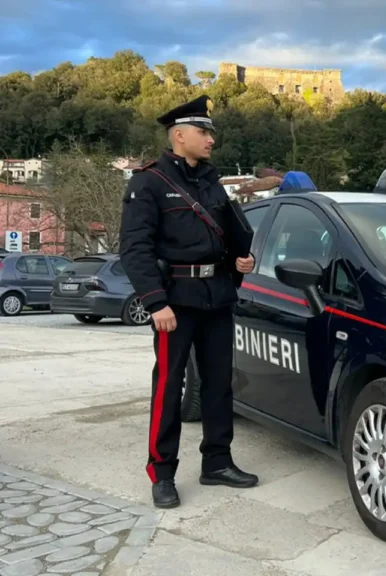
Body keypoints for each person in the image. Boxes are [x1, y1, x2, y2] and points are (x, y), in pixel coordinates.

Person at [119, 94, 258, 509]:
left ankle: (217, 461)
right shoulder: (148, 182)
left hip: (217, 296)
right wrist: (155, 302)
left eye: (211, 132)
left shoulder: (212, 183)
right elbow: (134, 248)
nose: (211, 139)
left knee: (219, 384)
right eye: (204, 131)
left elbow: (227, 237)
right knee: (169, 385)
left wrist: (242, 262)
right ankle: (162, 472)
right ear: (179, 135)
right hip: (174, 302)